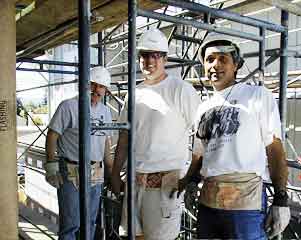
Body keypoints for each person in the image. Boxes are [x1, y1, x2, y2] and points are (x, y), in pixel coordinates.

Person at [176, 34, 291, 239]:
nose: (215, 65)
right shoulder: (203, 107)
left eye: (223, 59)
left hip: (245, 206)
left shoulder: (257, 96)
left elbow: (274, 149)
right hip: (209, 203)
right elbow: (200, 155)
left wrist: (281, 198)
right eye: (209, 59)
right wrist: (189, 181)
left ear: (236, 65)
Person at [111, 29, 201, 240]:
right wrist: (115, 173)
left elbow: (202, 135)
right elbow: (124, 138)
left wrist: (191, 177)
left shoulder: (181, 90)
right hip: (134, 183)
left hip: (165, 185)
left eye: (156, 55)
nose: (149, 60)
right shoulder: (134, 93)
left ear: (165, 58)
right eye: (144, 55)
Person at [44, 66, 113, 240]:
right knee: (71, 224)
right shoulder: (69, 106)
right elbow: (52, 135)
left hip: (96, 170)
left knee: (90, 222)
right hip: (71, 168)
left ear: (106, 90)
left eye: (101, 87)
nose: (97, 90)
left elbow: (105, 144)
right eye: (93, 85)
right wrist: (51, 165)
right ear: (85, 84)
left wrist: (112, 174)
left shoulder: (105, 112)